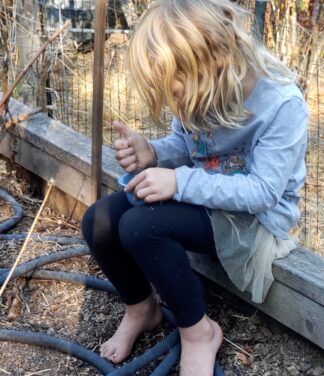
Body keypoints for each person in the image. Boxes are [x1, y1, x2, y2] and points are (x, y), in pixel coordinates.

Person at [80, 0, 308, 374]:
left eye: (177, 91)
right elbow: (191, 149)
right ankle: (142, 308)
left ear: (213, 57)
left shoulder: (282, 104)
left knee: (141, 226)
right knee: (100, 220)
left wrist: (178, 181)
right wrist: (152, 153)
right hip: (205, 200)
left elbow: (262, 193)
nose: (177, 103)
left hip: (253, 224)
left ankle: (198, 332)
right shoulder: (200, 86)